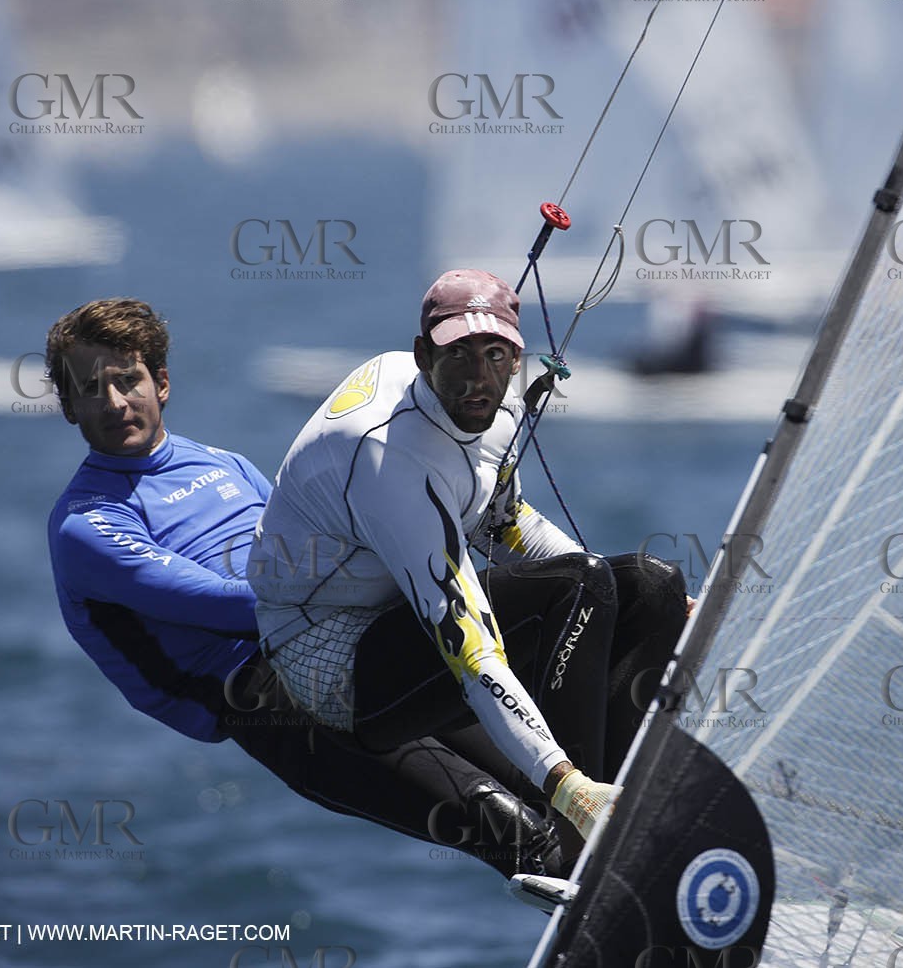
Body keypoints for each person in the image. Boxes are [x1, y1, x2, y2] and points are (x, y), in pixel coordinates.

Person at [43, 297, 563, 879]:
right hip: (266, 697)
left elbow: (321, 538)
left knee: (549, 774)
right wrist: (398, 568)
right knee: (506, 824)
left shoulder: (225, 462)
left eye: (127, 380)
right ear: (69, 407)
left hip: (357, 636)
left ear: (160, 383)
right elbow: (243, 604)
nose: (114, 402)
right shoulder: (85, 526)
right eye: (91, 388)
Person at [250, 270, 689, 853]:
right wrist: (562, 781)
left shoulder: (492, 406)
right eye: (457, 355)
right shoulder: (389, 460)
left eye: (495, 355)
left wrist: (630, 596)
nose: (477, 378)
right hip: (331, 659)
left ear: (516, 359)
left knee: (650, 583)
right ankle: (581, 815)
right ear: (422, 356)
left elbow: (505, 520)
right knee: (578, 586)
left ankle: (622, 790)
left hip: (394, 610)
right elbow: (468, 646)